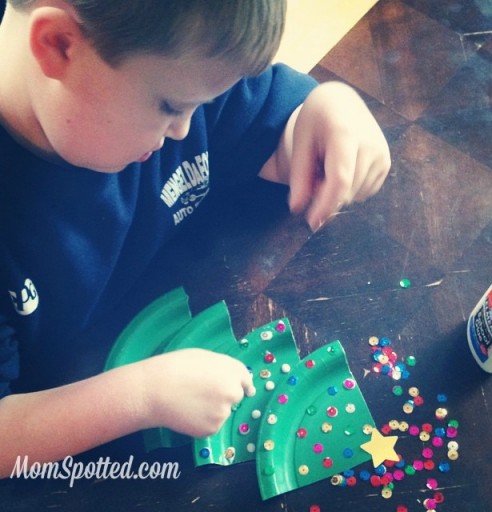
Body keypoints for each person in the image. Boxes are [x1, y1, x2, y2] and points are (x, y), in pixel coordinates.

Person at [0, 0, 390, 477]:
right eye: (171, 108)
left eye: (199, 105)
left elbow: (266, 128)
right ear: (58, 45)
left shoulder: (180, 57)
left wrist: (327, 111)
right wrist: (143, 397)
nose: (186, 129)